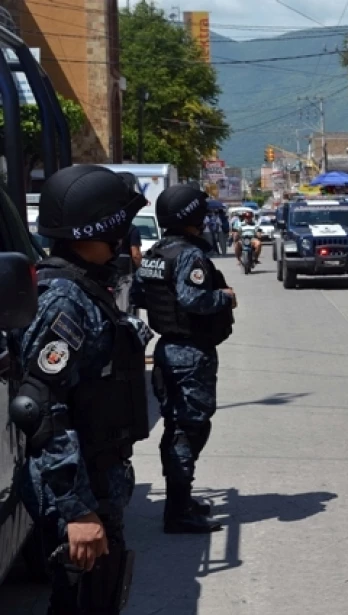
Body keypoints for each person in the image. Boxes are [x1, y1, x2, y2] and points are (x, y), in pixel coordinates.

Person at [9, 165, 152, 613]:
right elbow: (40, 408)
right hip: (77, 486)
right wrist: (77, 510)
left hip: (96, 479)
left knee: (97, 597)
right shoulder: (65, 301)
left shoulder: (87, 289)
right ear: (102, 226)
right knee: (82, 601)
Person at [131, 184, 236, 534]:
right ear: (189, 217)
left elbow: (140, 294)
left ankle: (182, 499)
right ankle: (178, 511)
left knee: (181, 427)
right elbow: (194, 301)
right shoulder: (189, 255)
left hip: (168, 350)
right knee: (188, 430)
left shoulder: (156, 253)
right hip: (190, 353)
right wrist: (224, 297)